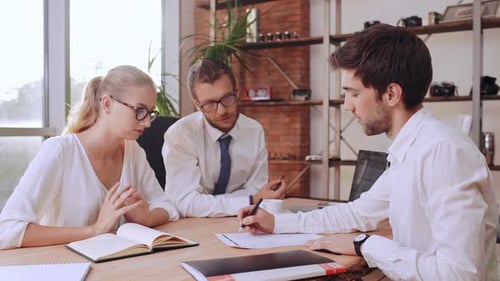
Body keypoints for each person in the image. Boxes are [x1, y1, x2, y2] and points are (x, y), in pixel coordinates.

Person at [238, 24, 499, 280]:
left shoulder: (443, 153)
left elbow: (460, 274)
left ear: (391, 94)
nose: (348, 106)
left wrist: (364, 244)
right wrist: (277, 223)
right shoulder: (410, 148)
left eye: (353, 93)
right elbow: (358, 213)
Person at [0, 65, 179, 250]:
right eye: (139, 110)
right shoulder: (59, 151)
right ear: (107, 104)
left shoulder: (133, 150)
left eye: (150, 112)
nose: (147, 122)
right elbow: (7, 231)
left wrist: (146, 217)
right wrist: (94, 230)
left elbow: (166, 205)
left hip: (118, 264)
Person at [162, 58, 286, 217]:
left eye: (227, 98)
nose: (221, 111)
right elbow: (187, 204)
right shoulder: (181, 135)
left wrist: (253, 198)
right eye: (209, 104)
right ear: (197, 104)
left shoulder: (254, 131)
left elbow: (257, 191)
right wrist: (251, 199)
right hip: (192, 225)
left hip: (239, 220)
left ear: (237, 92)